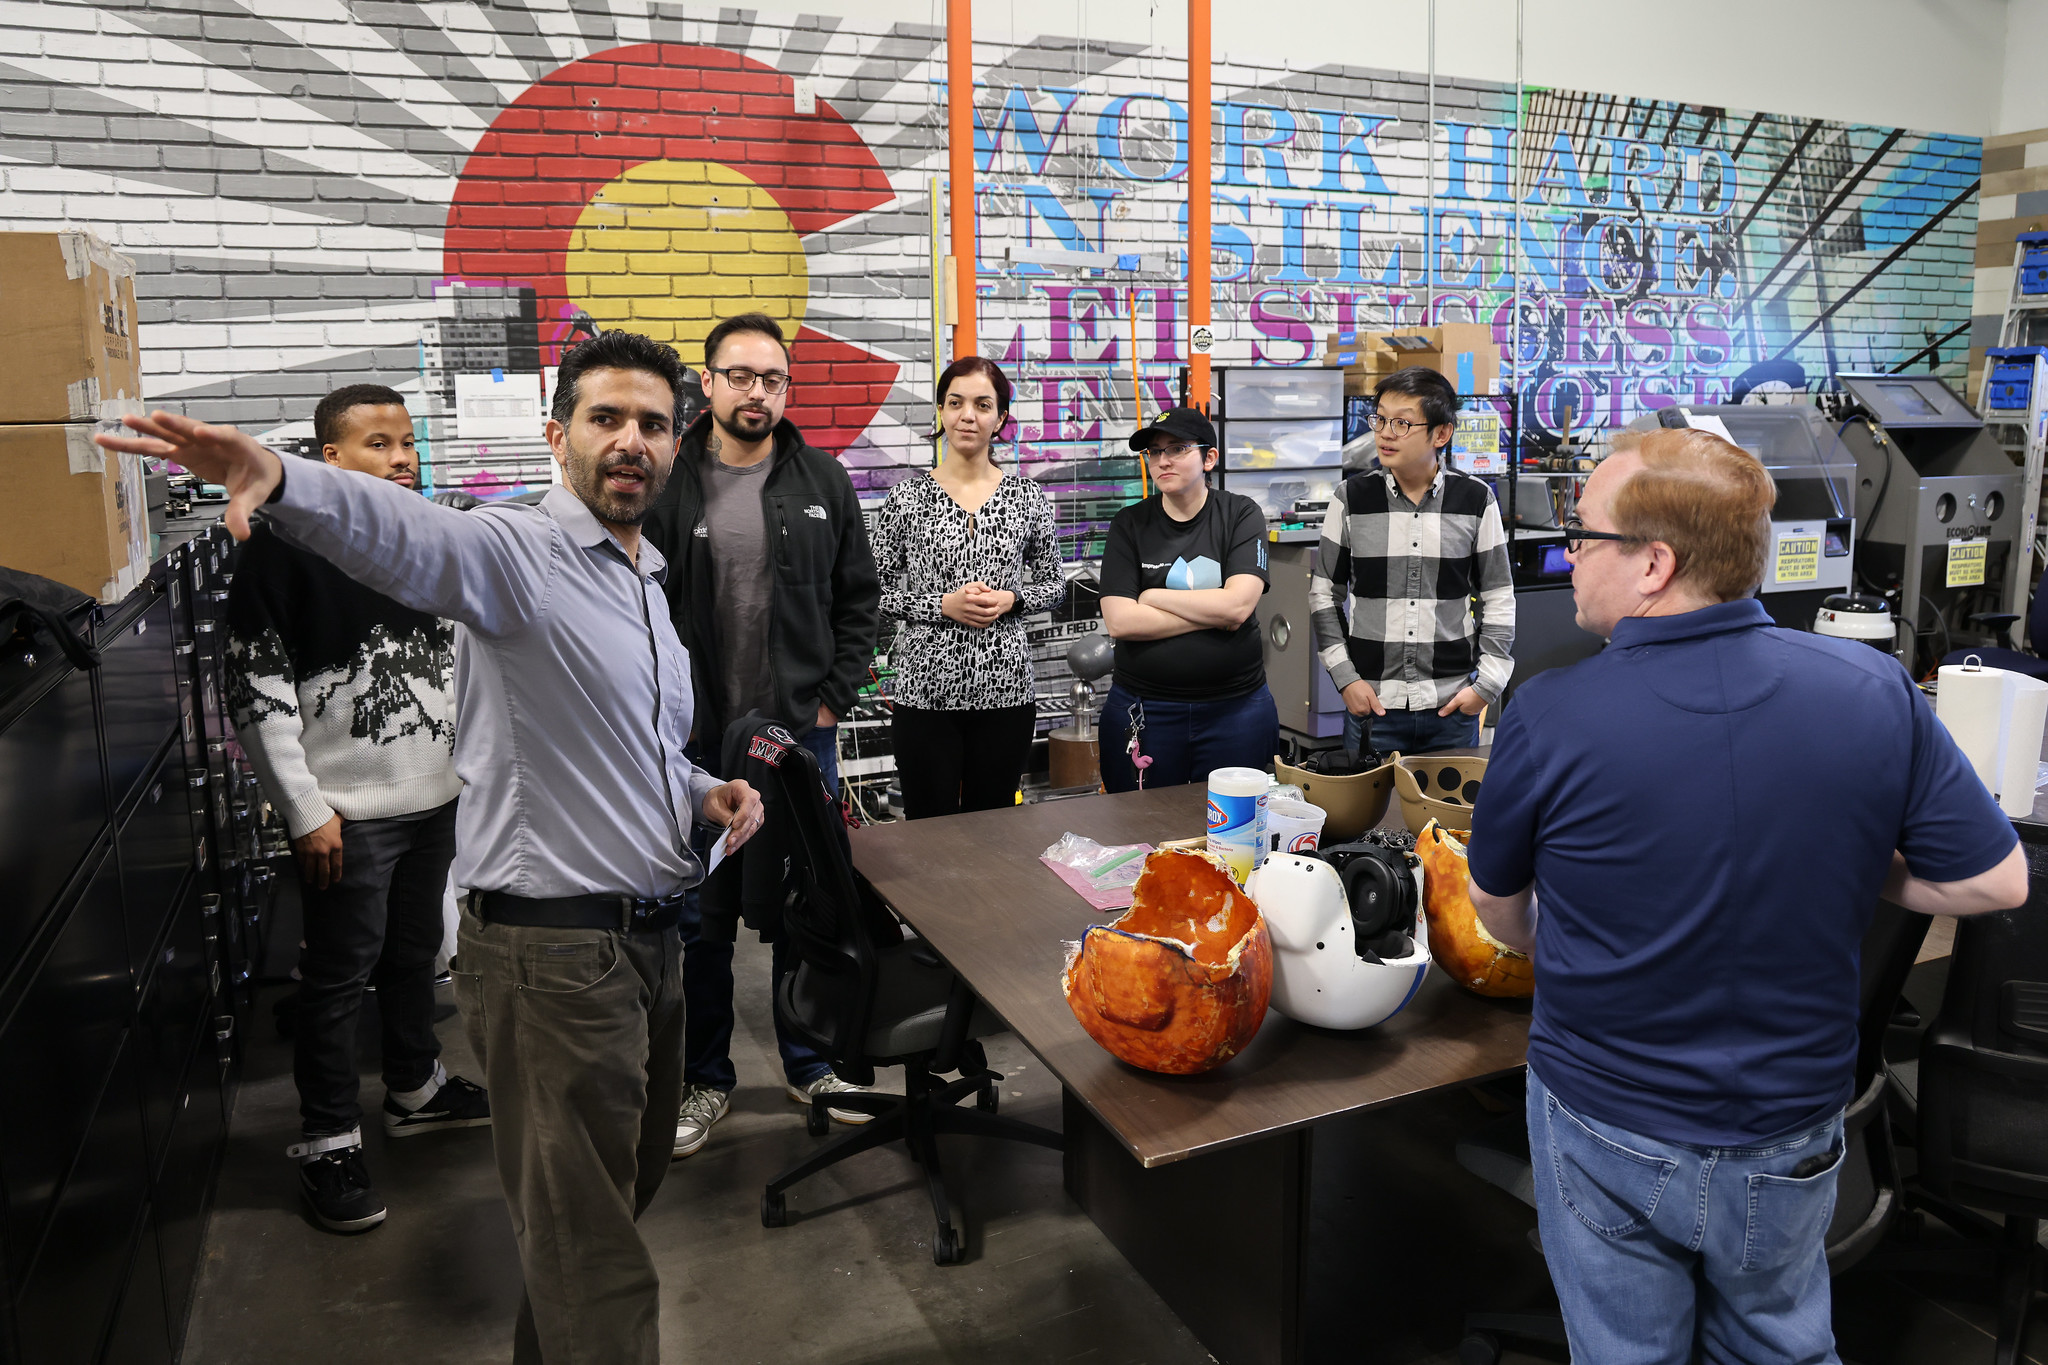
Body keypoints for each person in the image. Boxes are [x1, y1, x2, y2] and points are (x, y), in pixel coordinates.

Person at [98, 330, 767, 1365]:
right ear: (559, 437)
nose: (629, 440)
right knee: (598, 1259)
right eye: (604, 418)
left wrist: (698, 792)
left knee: (595, 1222)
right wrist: (279, 477)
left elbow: (631, 745)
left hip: (648, 946)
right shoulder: (516, 553)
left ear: (677, 443)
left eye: (649, 422)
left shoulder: (641, 578)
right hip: (553, 964)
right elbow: (407, 534)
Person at [1466, 427, 2027, 1365]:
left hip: (1609, 1118)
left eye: (1584, 536)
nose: (1570, 556)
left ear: (1654, 562)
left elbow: (1498, 910)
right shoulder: (1873, 687)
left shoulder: (1550, 713)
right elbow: (1996, 877)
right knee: (1779, 1346)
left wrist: (1553, 931)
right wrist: (1846, 856)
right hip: (1791, 1127)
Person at [225, 384, 486, 1235]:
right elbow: (256, 689)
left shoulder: (429, 538)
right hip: (348, 812)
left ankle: (414, 1085)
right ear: (327, 460)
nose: (401, 457)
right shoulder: (279, 551)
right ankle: (329, 1135)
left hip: (437, 794)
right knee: (337, 980)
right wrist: (302, 807)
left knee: (416, 957)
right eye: (378, 443)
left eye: (407, 441)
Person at [641, 312, 881, 1158]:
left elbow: (860, 599)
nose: (756, 392)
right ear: (706, 384)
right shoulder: (668, 479)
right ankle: (704, 1077)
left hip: (794, 742)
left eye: (772, 378)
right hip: (693, 743)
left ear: (787, 387)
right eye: (739, 376)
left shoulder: (820, 477)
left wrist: (832, 701)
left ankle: (811, 1061)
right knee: (701, 923)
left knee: (802, 908)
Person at [871, 356, 1063, 818]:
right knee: (928, 825)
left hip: (1007, 694)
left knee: (994, 823)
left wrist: (1013, 599)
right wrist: (942, 605)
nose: (967, 415)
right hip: (925, 693)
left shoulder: (1026, 497)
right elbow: (872, 591)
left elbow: (1054, 585)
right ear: (941, 410)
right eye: (955, 403)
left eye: (982, 404)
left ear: (1000, 419)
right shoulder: (907, 497)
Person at [1308, 365, 1514, 756]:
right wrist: (1346, 679)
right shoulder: (1351, 498)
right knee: (1370, 820)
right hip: (1374, 705)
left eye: (1402, 423)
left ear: (1441, 433)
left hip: (1451, 707)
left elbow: (1499, 597)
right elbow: (1324, 596)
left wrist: (1486, 685)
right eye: (1380, 419)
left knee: (1448, 818)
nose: (1385, 433)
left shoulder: (1475, 500)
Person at [1096, 407, 1277, 791]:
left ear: (1209, 457)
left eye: (1177, 448)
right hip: (1145, 711)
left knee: (1237, 833)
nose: (1162, 460)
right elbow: (1121, 622)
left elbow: (1239, 606)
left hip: (1237, 711)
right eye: (1154, 451)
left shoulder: (1241, 514)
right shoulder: (1129, 524)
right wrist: (1216, 614)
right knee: (1140, 831)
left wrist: (1152, 595)